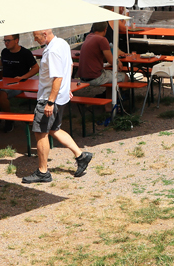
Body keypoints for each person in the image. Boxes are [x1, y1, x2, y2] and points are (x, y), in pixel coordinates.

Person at [22, 28, 94, 184]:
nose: (35, 40)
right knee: (54, 129)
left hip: (50, 98)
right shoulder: (62, 43)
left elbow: (57, 78)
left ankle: (43, 172)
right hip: (60, 96)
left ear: (45, 34)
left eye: (36, 37)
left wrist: (50, 102)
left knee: (41, 133)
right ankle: (81, 156)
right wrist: (66, 89)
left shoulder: (52, 51)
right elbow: (69, 66)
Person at [78, 21, 125, 111]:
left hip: (82, 77)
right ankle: (120, 102)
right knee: (124, 77)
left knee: (110, 76)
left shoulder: (89, 37)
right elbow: (111, 61)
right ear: (105, 29)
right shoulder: (102, 40)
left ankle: (108, 102)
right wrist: (118, 61)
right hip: (94, 77)